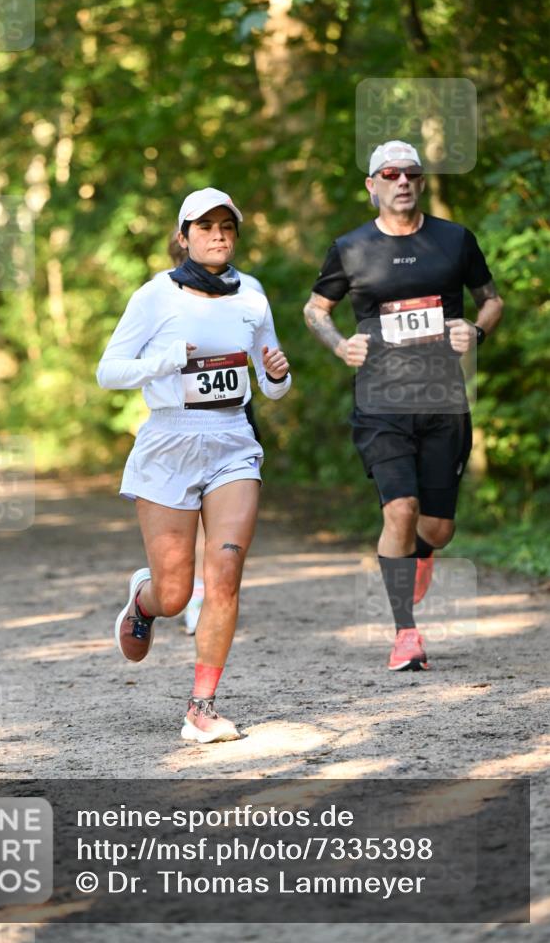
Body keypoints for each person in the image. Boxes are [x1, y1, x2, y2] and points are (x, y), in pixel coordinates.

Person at [97, 187, 291, 742]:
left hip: (232, 440)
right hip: (170, 444)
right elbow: (109, 371)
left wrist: (276, 373)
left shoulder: (251, 297)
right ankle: (144, 599)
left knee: (224, 574)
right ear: (183, 237)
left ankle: (201, 708)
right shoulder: (155, 297)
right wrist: (166, 360)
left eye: (226, 226)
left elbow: (273, 385)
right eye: (204, 226)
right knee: (176, 593)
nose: (218, 234)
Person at [303, 140, 503, 672]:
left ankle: (424, 552)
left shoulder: (454, 240)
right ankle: (405, 635)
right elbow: (316, 310)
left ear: (420, 181)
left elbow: (492, 299)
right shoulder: (349, 248)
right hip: (381, 403)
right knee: (400, 509)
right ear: (372, 185)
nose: (402, 182)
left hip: (443, 402)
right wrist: (340, 344)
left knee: (436, 529)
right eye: (390, 174)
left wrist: (475, 331)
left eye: (411, 174)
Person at [155, 229, 268, 636]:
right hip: (181, 418)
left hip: (233, 413)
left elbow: (264, 350)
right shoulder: (160, 293)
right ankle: (194, 591)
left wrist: (274, 373)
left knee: (224, 507)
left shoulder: (249, 289)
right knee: (192, 509)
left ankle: (214, 587)